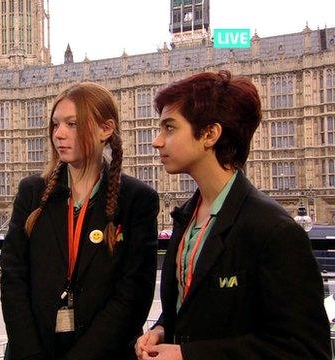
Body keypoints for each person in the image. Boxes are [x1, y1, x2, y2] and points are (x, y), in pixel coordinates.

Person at [135, 70, 331, 359]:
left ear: (210, 134)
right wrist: (164, 327)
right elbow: (194, 305)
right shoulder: (187, 217)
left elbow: (306, 349)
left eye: (170, 128)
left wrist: (189, 355)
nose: (157, 141)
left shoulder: (274, 230)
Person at [1, 82, 159, 359]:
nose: (58, 134)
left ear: (106, 129)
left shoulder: (137, 200)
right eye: (55, 124)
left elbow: (132, 295)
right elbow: (13, 280)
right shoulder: (32, 192)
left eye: (72, 124)